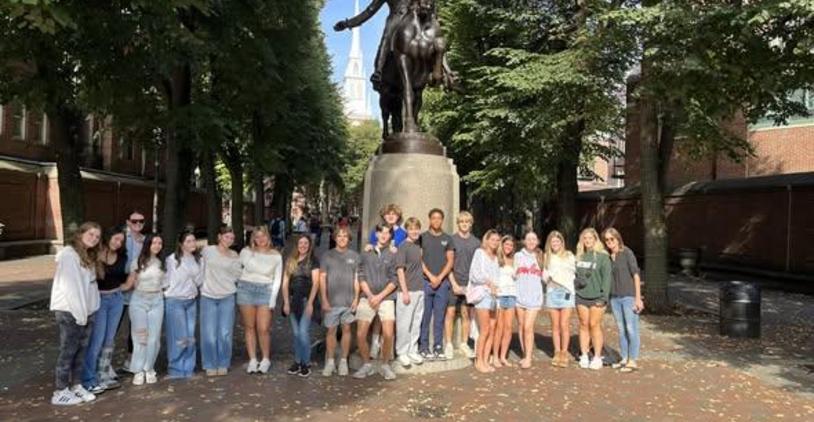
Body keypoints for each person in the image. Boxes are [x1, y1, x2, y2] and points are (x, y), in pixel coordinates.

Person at [49, 222, 102, 405]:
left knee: (81, 352)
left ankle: (76, 386)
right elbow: (71, 287)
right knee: (68, 352)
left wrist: (92, 309)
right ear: (81, 233)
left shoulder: (87, 255)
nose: (94, 238)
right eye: (91, 234)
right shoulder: (69, 255)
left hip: (86, 311)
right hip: (71, 311)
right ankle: (60, 391)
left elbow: (90, 286)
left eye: (97, 236)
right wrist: (80, 314)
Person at [83, 225, 128, 394]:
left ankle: (103, 373)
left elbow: (124, 278)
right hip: (100, 300)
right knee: (97, 340)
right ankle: (89, 377)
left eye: (121, 241)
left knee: (109, 340)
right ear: (108, 237)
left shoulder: (122, 256)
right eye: (116, 239)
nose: (118, 243)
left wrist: (128, 283)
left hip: (116, 300)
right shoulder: (94, 256)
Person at [355, 224, 399, 380]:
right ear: (376, 234)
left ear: (390, 236)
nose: (384, 235)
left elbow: (395, 279)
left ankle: (385, 365)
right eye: (381, 232)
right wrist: (369, 295)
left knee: (388, 334)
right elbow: (361, 275)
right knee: (360, 334)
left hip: (386, 299)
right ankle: (367, 364)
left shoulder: (394, 254)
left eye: (387, 233)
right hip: (367, 298)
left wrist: (379, 296)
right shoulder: (366, 253)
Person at [237, 226, 283, 374]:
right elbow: (238, 268)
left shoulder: (276, 256)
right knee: (249, 327)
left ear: (268, 237)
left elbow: (277, 279)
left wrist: (273, 300)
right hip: (246, 289)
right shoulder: (246, 252)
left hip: (266, 290)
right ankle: (252, 359)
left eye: (263, 236)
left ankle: (265, 359)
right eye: (257, 236)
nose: (261, 239)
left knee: (263, 328)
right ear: (253, 239)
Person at [121, 234, 165, 385]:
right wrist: (110, 289)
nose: (157, 245)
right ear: (148, 244)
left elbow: (166, 284)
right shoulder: (137, 262)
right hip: (139, 301)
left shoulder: (162, 263)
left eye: (160, 243)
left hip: (157, 301)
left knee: (154, 337)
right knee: (140, 336)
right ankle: (138, 370)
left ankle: (149, 368)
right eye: (154, 242)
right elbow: (129, 284)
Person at [365, 203, 406, 360]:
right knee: (377, 315)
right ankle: (375, 343)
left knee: (390, 316)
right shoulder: (376, 230)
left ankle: (388, 347)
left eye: (393, 214)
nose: (390, 216)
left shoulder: (401, 232)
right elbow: (371, 245)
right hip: (377, 275)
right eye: (388, 214)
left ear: (398, 216)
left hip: (393, 276)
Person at [200, 226, 243, 376]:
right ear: (219, 237)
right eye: (226, 237)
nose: (229, 240)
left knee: (225, 332)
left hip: (227, 297)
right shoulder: (207, 251)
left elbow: (238, 275)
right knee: (209, 333)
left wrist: (229, 280)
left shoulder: (234, 255)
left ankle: (223, 362)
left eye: (232, 238)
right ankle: (210, 363)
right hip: (208, 296)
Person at [319, 227, 360, 377]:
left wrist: (356, 298)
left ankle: (343, 361)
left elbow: (357, 279)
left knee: (347, 330)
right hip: (331, 301)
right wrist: (323, 298)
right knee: (331, 331)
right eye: (339, 236)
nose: (342, 238)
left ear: (349, 239)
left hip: (348, 301)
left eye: (345, 236)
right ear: (335, 238)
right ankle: (330, 361)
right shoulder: (327, 256)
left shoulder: (355, 256)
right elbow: (322, 278)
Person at [164, 230, 204, 379]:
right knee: (178, 337)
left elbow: (200, 281)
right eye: (188, 241)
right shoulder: (172, 259)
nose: (192, 244)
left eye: (194, 241)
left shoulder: (198, 259)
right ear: (181, 244)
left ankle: (188, 367)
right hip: (175, 301)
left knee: (190, 336)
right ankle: (175, 368)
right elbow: (168, 280)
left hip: (191, 301)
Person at [603, 227, 644, 372]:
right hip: (615, 298)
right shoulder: (608, 257)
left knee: (631, 328)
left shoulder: (627, 253)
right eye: (606, 240)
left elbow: (636, 275)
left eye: (611, 239)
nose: (609, 242)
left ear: (617, 238)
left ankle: (633, 359)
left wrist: (638, 298)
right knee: (621, 329)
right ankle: (624, 358)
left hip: (628, 296)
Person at [419, 208, 455, 360]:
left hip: (442, 284)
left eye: (439, 218)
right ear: (429, 219)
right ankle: (423, 346)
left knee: (439, 316)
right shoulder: (422, 237)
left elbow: (450, 260)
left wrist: (439, 278)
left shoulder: (448, 238)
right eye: (433, 218)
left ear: (442, 220)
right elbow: (419, 259)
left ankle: (438, 347)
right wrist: (430, 276)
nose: (436, 221)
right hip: (426, 282)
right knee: (425, 316)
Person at [281, 235, 320, 377]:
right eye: (300, 243)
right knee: (296, 333)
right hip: (293, 300)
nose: (303, 245)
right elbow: (285, 283)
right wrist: (285, 302)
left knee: (303, 332)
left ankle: (306, 362)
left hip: (306, 300)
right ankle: (297, 361)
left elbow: (316, 283)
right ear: (296, 245)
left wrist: (310, 303)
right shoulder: (290, 261)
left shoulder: (313, 261)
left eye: (306, 243)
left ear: (309, 245)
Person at [575, 228, 612, 370]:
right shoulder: (579, 256)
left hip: (597, 297)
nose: (588, 241)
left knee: (594, 325)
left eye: (590, 238)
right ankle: (584, 355)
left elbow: (607, 279)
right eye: (585, 238)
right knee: (584, 324)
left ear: (595, 239)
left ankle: (597, 356)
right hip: (581, 297)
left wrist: (604, 297)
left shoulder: (603, 257)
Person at [444, 211, 479, 359]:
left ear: (471, 224)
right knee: (450, 313)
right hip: (453, 282)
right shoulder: (451, 240)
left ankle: (464, 343)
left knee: (466, 314)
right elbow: (447, 264)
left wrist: (470, 285)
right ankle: (449, 345)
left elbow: (477, 266)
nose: (464, 224)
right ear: (458, 223)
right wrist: (454, 284)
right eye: (462, 222)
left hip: (469, 284)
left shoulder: (476, 243)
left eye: (467, 222)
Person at [467, 229, 500, 373]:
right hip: (483, 295)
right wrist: (488, 283)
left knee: (492, 329)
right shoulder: (479, 253)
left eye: (497, 240)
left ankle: (485, 360)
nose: (495, 242)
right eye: (492, 239)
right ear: (486, 240)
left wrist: (496, 286)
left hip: (494, 296)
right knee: (484, 329)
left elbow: (497, 276)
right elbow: (475, 274)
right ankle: (478, 360)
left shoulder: (496, 257)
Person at [394, 217, 426, 367]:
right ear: (407, 230)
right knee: (404, 323)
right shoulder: (403, 247)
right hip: (407, 291)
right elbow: (400, 270)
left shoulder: (418, 246)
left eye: (417, 228)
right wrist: (405, 291)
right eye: (411, 228)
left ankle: (413, 350)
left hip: (420, 289)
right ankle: (402, 352)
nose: (414, 231)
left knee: (416, 322)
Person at [543, 231, 576, 368]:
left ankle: (564, 351)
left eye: (557, 241)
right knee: (555, 325)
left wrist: (558, 277)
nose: (555, 244)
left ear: (562, 243)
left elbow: (572, 272)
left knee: (564, 324)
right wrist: (548, 276)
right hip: (552, 292)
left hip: (566, 292)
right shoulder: (547, 257)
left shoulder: (569, 255)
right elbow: (544, 276)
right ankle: (557, 351)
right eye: (553, 242)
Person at [119, 210, 146, 373]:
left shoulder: (145, 241)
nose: (138, 224)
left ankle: (131, 360)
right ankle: (102, 363)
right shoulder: (122, 239)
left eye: (141, 221)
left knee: (135, 326)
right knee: (113, 326)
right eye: (134, 221)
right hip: (122, 288)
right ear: (128, 222)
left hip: (138, 290)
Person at [514, 230, 544, 369]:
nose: (531, 241)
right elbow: (512, 274)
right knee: (521, 326)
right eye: (528, 239)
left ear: (537, 241)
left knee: (528, 327)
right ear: (524, 241)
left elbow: (547, 275)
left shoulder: (541, 256)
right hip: (519, 296)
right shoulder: (518, 256)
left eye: (534, 239)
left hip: (534, 297)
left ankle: (528, 358)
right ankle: (524, 352)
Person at [492, 235, 517, 368]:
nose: (508, 247)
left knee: (508, 328)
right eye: (506, 244)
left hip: (512, 295)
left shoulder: (514, 260)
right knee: (499, 327)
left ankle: (503, 356)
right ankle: (495, 356)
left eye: (511, 245)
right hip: (500, 296)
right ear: (502, 245)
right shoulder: (497, 259)